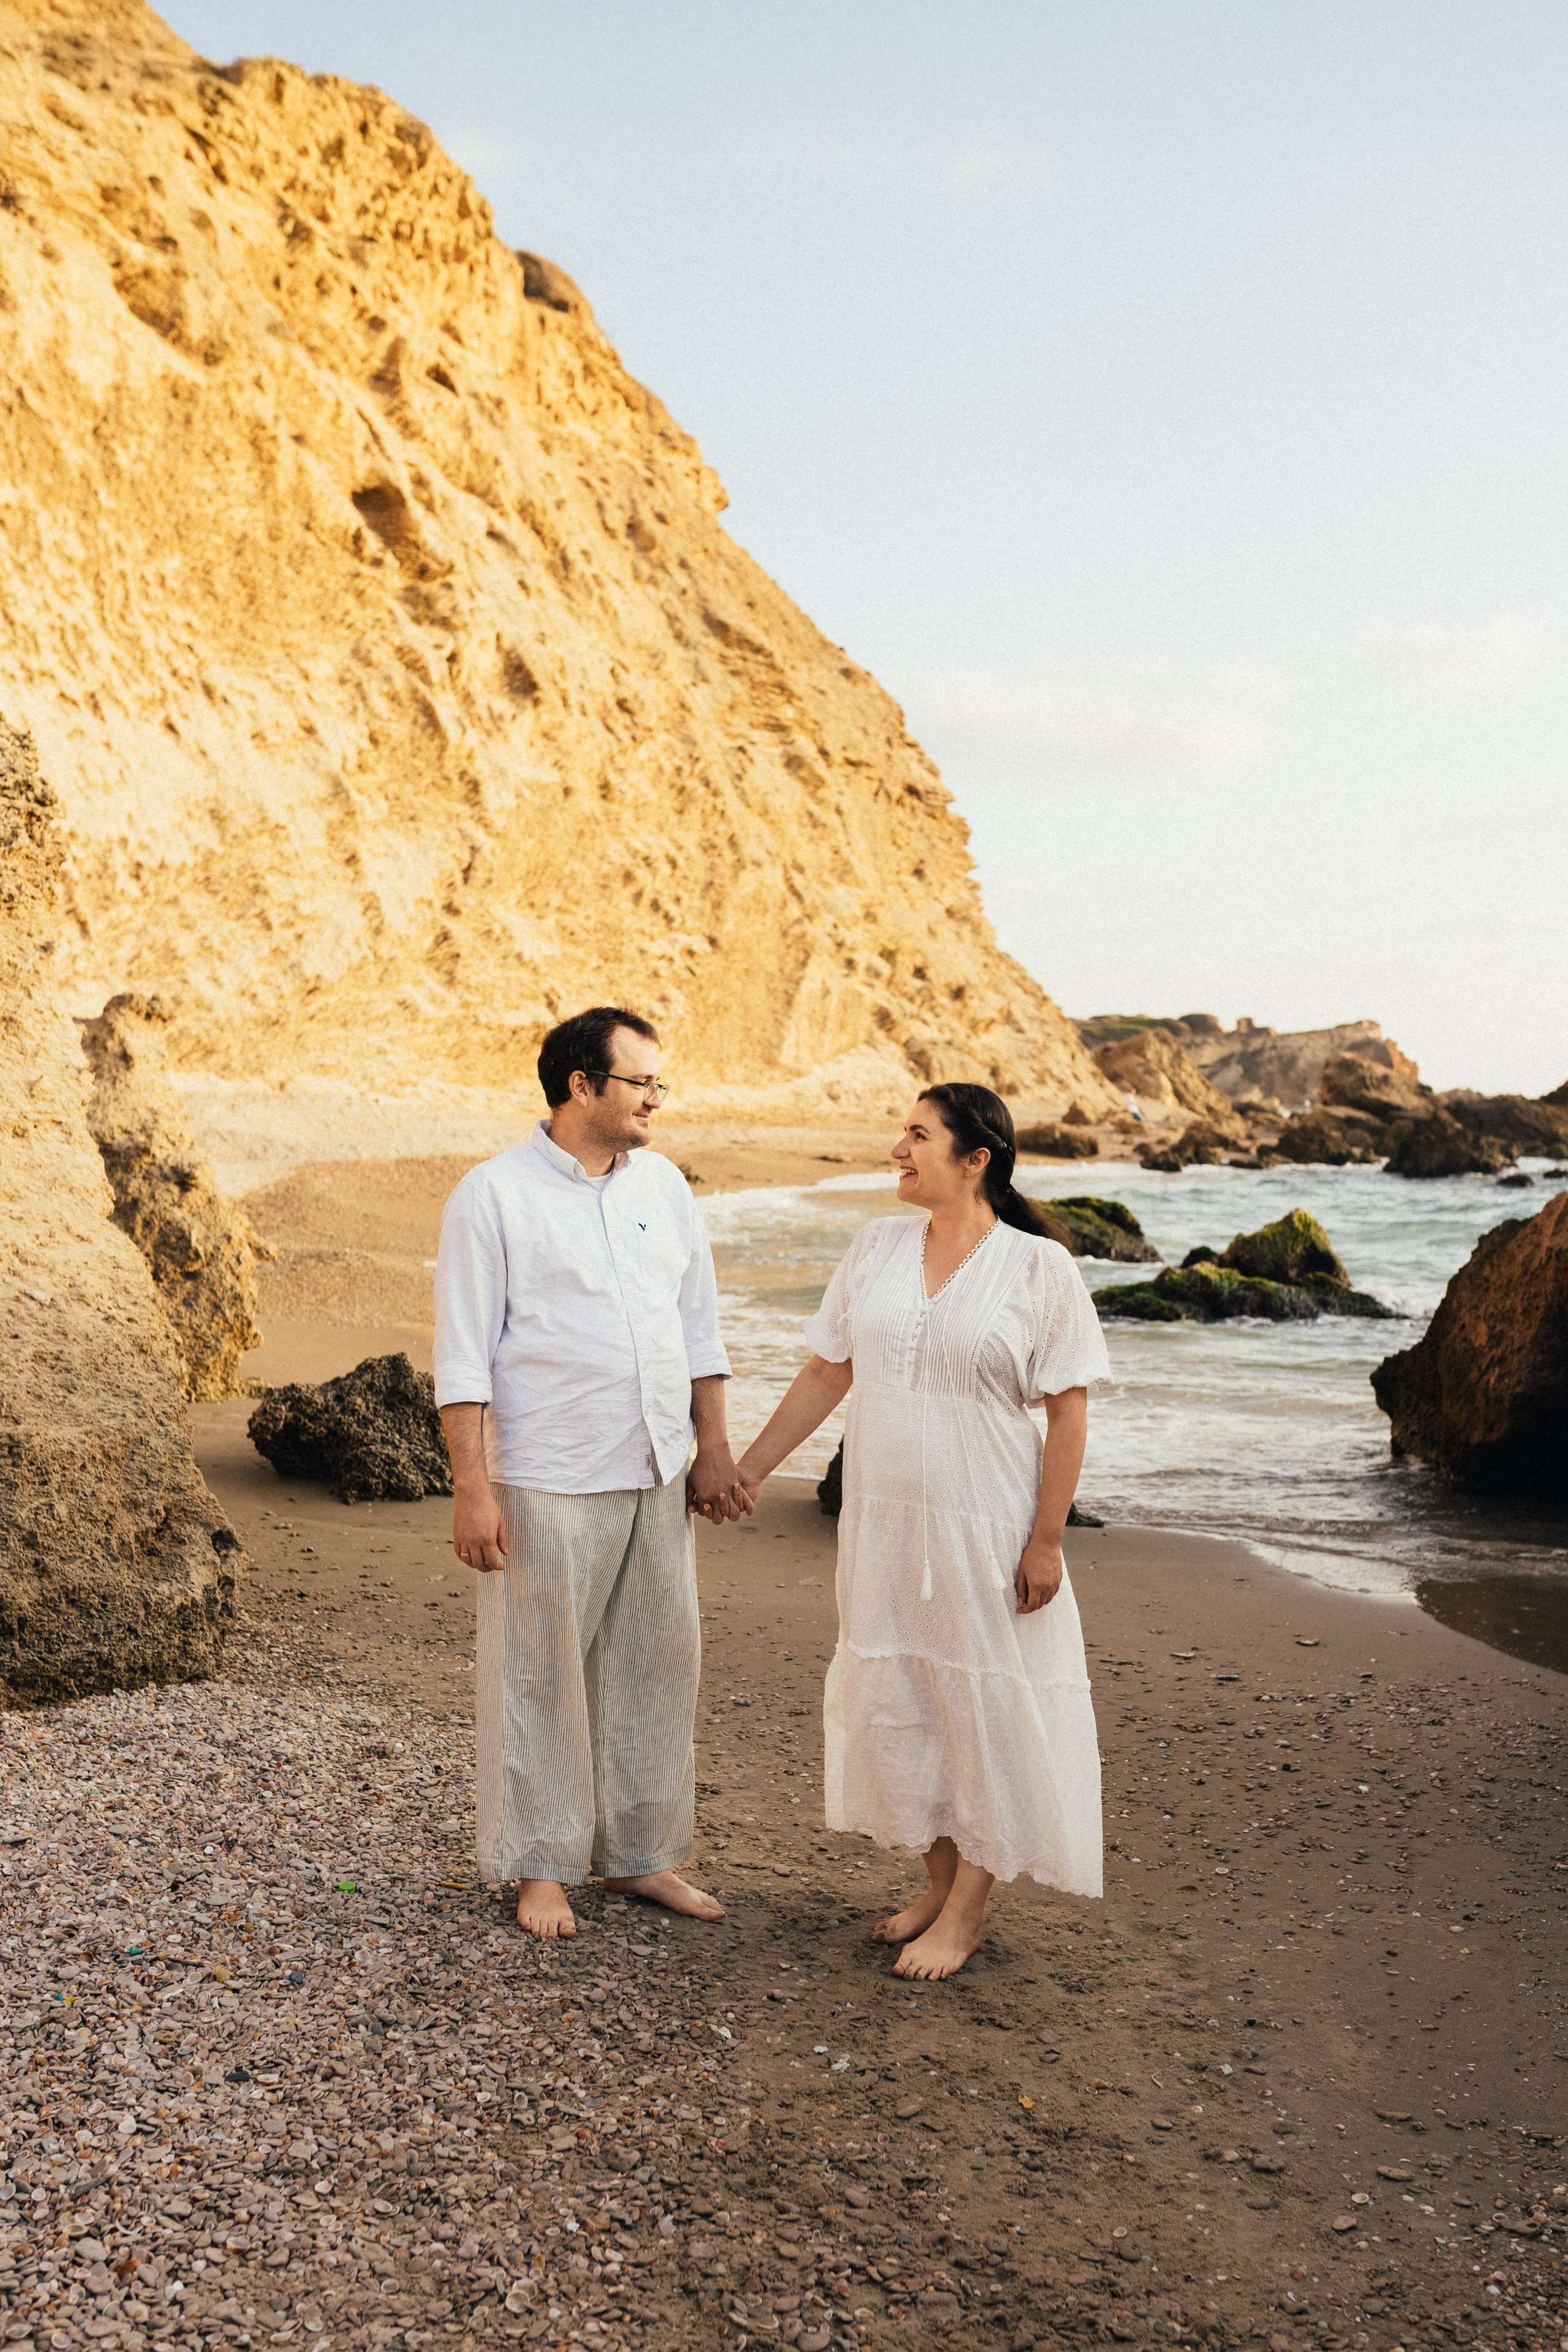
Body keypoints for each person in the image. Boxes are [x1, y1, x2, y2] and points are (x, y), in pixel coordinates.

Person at [735, 1084, 1110, 1981]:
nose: (897, 1149)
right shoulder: (876, 1247)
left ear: (975, 1159)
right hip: (884, 1522)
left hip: (988, 1524)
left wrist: (1047, 1541)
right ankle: (940, 1888)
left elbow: (1067, 1412)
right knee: (907, 1697)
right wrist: (749, 1469)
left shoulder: (1039, 1268)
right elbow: (828, 1373)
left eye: (917, 1135)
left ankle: (967, 1914)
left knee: (984, 1708)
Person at [432, 1005, 750, 1939]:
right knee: (542, 1673)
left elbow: (698, 1329)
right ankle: (541, 1867)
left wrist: (713, 1448)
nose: (656, 1098)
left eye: (658, 1082)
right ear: (582, 1085)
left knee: (655, 1665)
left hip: (656, 1464)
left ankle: (639, 1857)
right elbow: (463, 1358)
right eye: (641, 1082)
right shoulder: (492, 1194)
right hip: (548, 1470)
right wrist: (472, 1489)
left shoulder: (665, 1185)